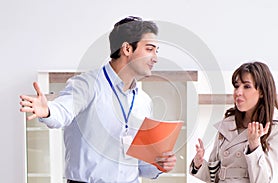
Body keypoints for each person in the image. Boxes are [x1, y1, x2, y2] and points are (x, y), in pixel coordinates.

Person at [20, 16, 176, 183]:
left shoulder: (143, 101)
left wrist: (158, 164)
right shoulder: (87, 85)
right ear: (127, 49)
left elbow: (139, 165)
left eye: (156, 51)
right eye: (149, 49)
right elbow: (62, 111)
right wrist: (48, 111)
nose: (155, 58)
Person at [190, 61, 278, 183]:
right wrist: (198, 164)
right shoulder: (227, 124)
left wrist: (254, 144)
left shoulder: (276, 127)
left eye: (247, 86)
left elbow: (263, 180)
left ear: (262, 92)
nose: (238, 92)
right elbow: (214, 177)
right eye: (236, 86)